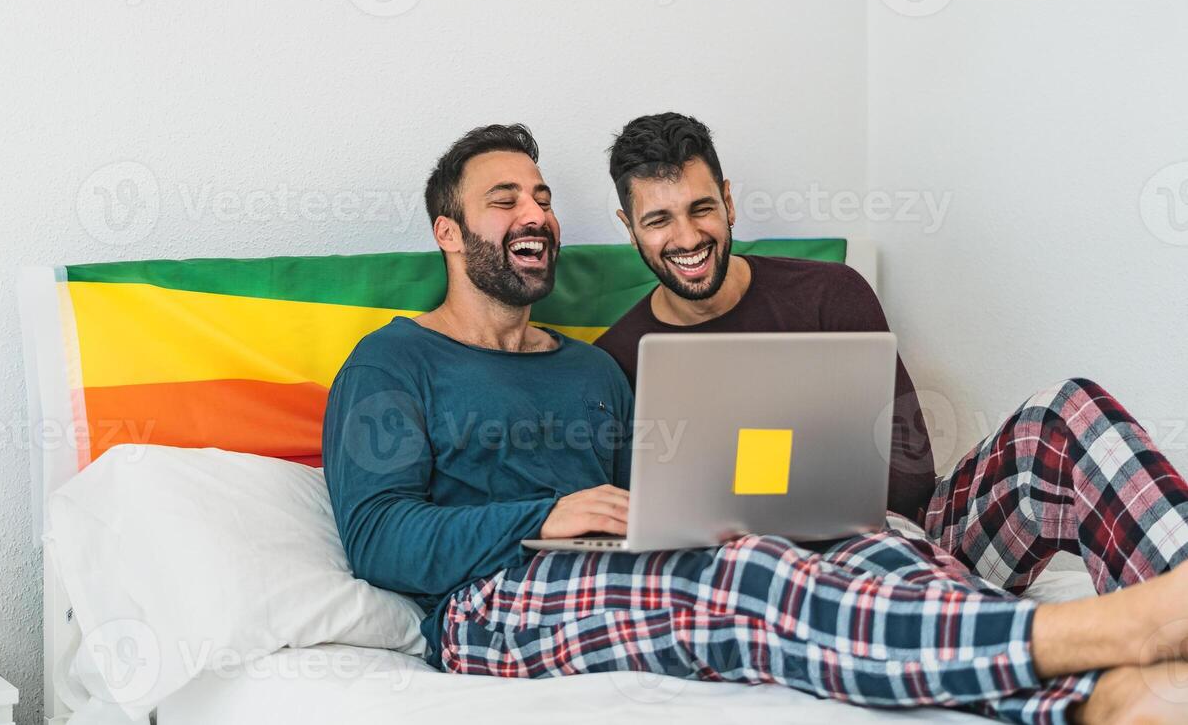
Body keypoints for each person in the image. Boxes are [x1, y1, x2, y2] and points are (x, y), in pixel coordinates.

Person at [323, 122, 1188, 724]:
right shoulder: (392, 362)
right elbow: (376, 535)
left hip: (626, 568)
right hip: (493, 599)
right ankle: (1114, 633)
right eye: (504, 198)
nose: (537, 214)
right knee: (744, 575)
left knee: (882, 550)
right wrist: (543, 517)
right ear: (448, 231)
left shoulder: (589, 369)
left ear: (728, 204)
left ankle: (1097, 697)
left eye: (542, 196)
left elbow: (662, 498)